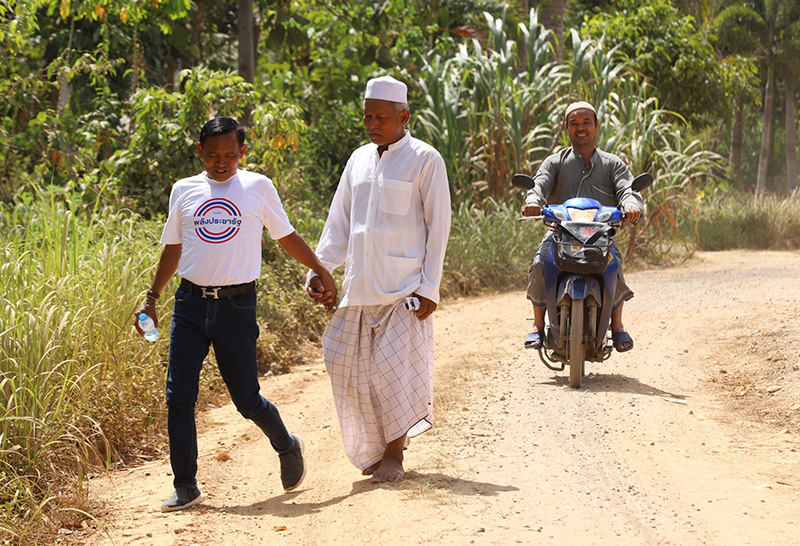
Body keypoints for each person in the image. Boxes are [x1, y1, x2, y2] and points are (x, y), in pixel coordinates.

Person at [134, 116, 337, 512]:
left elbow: (286, 236)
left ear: (242, 152)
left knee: (246, 399)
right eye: (213, 155)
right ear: (200, 153)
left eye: (230, 154)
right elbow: (172, 249)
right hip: (190, 305)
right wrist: (151, 298)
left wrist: (319, 268)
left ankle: (286, 443)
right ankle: (186, 485)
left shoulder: (258, 187)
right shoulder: (184, 190)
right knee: (178, 396)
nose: (221, 162)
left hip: (237, 306)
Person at [306, 76, 451, 483]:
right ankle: (372, 449)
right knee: (345, 365)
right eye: (368, 116)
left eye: (382, 117)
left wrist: (429, 286)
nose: (373, 123)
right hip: (359, 287)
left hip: (404, 289)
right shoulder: (358, 160)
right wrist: (320, 270)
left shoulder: (426, 160)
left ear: (404, 116)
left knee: (393, 375)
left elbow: (438, 228)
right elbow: (339, 224)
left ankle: (394, 453)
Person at [522, 101, 643, 352]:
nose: (581, 128)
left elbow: (627, 190)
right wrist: (533, 201)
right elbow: (538, 185)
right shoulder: (554, 162)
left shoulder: (613, 164)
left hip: (600, 236)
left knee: (615, 265)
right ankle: (536, 325)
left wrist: (631, 205)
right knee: (539, 264)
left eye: (586, 122)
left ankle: (618, 326)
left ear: (596, 125)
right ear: (566, 127)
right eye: (574, 123)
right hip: (559, 235)